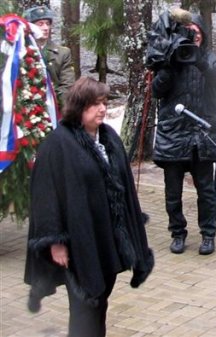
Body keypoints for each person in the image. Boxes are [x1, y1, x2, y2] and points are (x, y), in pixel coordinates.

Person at [24, 77, 155, 337]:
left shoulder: (109, 138)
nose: (103, 109)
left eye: (104, 103)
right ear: (78, 107)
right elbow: (45, 195)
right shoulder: (58, 144)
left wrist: (129, 227)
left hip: (106, 238)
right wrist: (56, 241)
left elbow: (124, 188)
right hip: (78, 241)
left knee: (101, 301)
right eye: (95, 104)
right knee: (85, 307)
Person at [152, 11, 216, 255]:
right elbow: (157, 91)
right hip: (173, 134)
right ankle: (177, 232)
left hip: (201, 135)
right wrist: (170, 65)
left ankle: (208, 234)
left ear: (203, 35)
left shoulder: (211, 59)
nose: (193, 36)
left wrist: (200, 62)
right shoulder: (169, 58)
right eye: (189, 32)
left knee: (205, 190)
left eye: (197, 32)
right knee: (172, 192)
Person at [23, 5, 75, 106]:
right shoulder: (21, 52)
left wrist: (57, 107)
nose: (46, 28)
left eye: (47, 24)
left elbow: (67, 85)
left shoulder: (62, 53)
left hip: (55, 106)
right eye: (40, 24)